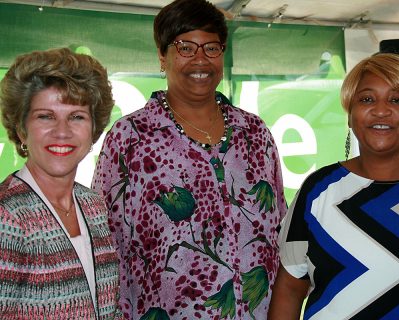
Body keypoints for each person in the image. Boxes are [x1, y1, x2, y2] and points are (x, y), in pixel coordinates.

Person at [91, 0, 287, 319]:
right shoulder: (130, 137)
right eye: (185, 47)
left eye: (212, 48)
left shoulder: (254, 132)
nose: (201, 60)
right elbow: (105, 244)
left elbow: (278, 229)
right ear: (161, 56)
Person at [268, 53, 399, 319]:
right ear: (349, 113)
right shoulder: (317, 189)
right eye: (367, 99)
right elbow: (289, 288)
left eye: (396, 100)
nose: (381, 110)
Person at [0, 48, 124, 319]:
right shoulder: (8, 216)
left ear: (93, 130)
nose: (62, 131)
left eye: (76, 116)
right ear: (21, 129)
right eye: (45, 116)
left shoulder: (93, 205)